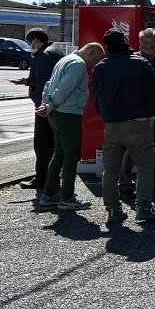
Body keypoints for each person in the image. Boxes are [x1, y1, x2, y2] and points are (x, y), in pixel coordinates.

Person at [92, 30, 155, 224]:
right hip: (138, 121)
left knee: (111, 170)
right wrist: (150, 116)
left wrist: (106, 117)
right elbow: (150, 94)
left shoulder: (100, 67)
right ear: (125, 42)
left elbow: (97, 99)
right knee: (145, 166)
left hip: (112, 125)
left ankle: (113, 210)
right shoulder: (140, 63)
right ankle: (144, 207)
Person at [36, 43, 104, 211]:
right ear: (91, 53)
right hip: (68, 114)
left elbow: (49, 84)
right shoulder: (78, 64)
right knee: (71, 156)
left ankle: (48, 194)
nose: (93, 66)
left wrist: (46, 104)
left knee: (59, 154)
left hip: (55, 115)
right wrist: (51, 105)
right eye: (95, 61)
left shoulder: (64, 60)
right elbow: (64, 88)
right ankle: (67, 198)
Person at [10, 28, 64, 192]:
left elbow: (43, 83)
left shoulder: (43, 55)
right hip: (57, 106)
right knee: (54, 144)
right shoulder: (56, 52)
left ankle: (42, 179)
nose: (29, 46)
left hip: (44, 108)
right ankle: (53, 176)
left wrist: (42, 105)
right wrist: (26, 81)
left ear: (35, 41)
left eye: (29, 42)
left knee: (42, 145)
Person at [119, 28, 155, 199]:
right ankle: (124, 183)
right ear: (139, 44)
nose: (149, 46)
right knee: (130, 146)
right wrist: (146, 91)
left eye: (152, 43)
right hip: (135, 109)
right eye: (145, 43)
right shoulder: (131, 61)